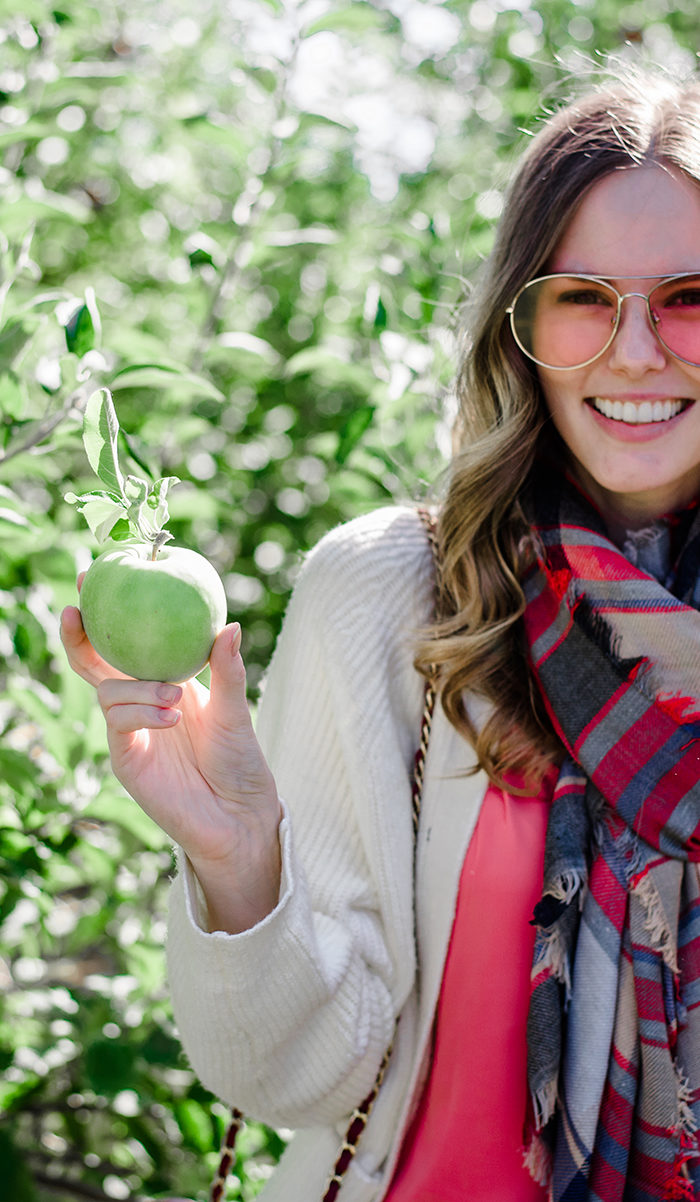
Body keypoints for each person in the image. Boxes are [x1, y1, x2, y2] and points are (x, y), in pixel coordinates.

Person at [60, 63, 700, 1201]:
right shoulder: (400, 594)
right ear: (522, 321)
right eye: (585, 296)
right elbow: (305, 1075)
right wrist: (241, 858)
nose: (638, 349)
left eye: (691, 296)